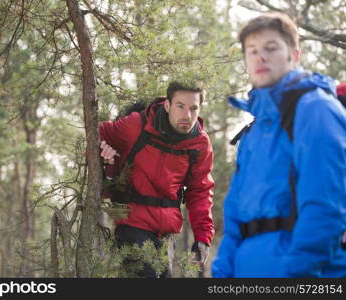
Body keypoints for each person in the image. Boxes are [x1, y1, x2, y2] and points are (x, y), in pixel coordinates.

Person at [211, 12, 346, 278]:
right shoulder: (253, 130)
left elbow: (325, 206)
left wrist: (296, 272)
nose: (260, 57)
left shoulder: (315, 109)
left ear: (294, 55)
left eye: (271, 48)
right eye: (252, 51)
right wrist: (223, 272)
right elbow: (235, 213)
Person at [99, 81, 215, 277]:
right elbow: (98, 133)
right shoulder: (136, 126)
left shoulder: (200, 143)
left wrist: (203, 237)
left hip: (166, 233)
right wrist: (104, 153)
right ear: (168, 105)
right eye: (180, 106)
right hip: (132, 224)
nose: (187, 115)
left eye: (193, 108)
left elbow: (200, 191)